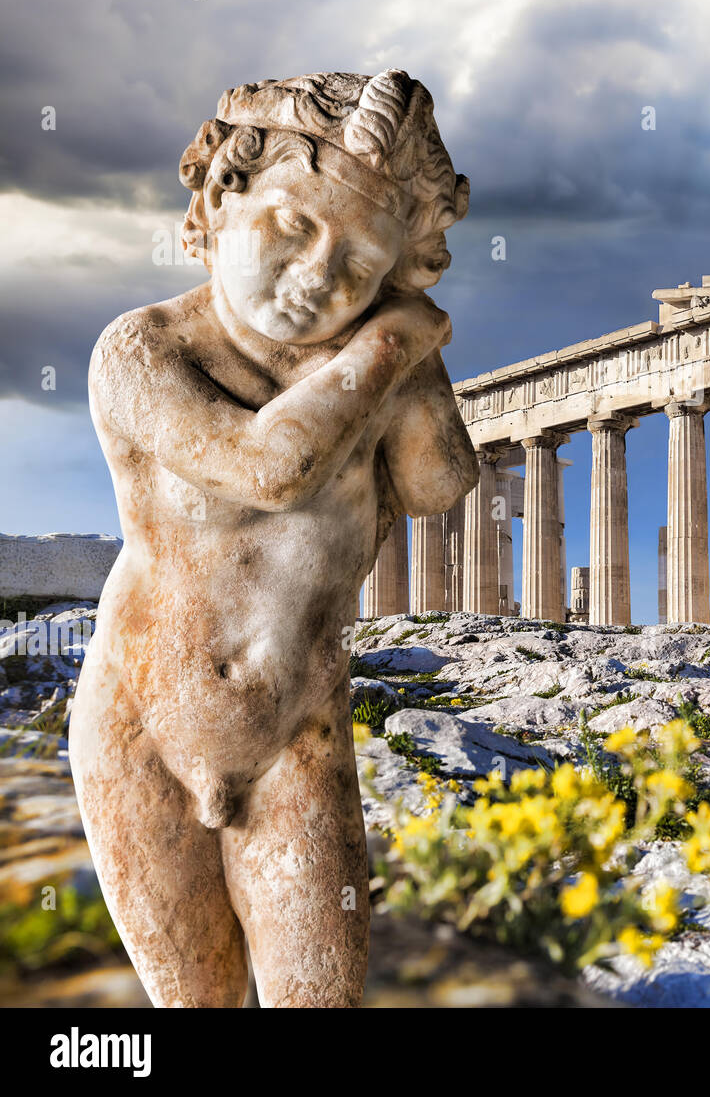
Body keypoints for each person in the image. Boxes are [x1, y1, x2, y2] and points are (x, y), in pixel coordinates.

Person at [69, 70, 478, 1006]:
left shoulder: (371, 370)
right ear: (222, 194)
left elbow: (440, 483)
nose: (314, 280)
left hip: (299, 728)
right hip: (142, 728)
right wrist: (390, 342)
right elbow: (268, 468)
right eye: (292, 228)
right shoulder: (142, 351)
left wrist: (400, 348)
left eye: (361, 261)